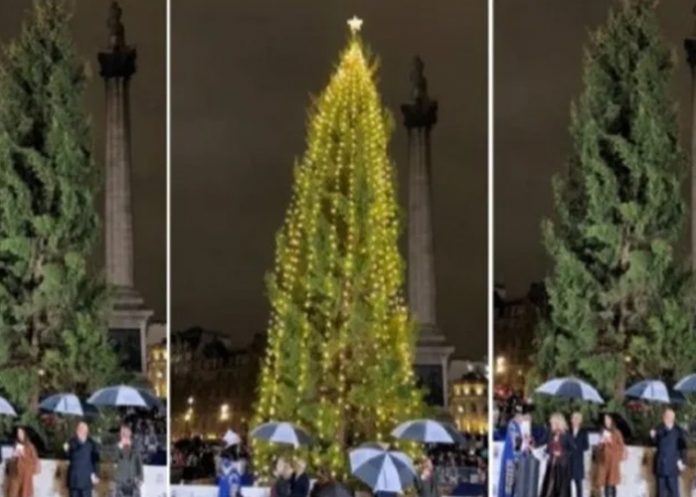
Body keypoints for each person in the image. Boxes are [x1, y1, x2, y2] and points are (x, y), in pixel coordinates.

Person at [650, 408, 687, 497]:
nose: (665, 418)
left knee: (673, 492)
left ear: (672, 418)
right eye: (665, 416)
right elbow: (654, 444)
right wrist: (652, 437)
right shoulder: (658, 428)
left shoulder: (678, 431)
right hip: (661, 466)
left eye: (668, 416)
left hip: (673, 466)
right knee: (660, 493)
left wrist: (683, 462)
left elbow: (683, 448)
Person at [539, 413, 574, 497]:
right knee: (549, 486)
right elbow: (541, 442)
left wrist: (562, 453)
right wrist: (531, 441)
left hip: (562, 466)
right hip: (552, 464)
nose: (551, 425)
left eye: (552, 423)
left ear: (558, 423)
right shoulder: (550, 434)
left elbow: (573, 449)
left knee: (561, 488)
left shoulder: (566, 435)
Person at [66, 421, 100, 497]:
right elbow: (67, 454)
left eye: (84, 430)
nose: (82, 431)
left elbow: (95, 461)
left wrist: (96, 474)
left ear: (87, 431)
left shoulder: (92, 443)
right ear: (77, 430)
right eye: (80, 429)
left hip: (87, 480)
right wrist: (77, 441)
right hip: (74, 480)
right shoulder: (71, 442)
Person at [595, 414, 625, 497]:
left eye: (608, 419)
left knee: (612, 483)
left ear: (612, 420)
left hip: (613, 462)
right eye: (605, 420)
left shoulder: (617, 432)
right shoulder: (602, 431)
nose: (606, 421)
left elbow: (621, 447)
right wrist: (601, 443)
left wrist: (611, 442)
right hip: (604, 462)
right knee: (605, 484)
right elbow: (598, 449)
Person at [7, 426, 40, 497]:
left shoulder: (30, 446)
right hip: (16, 473)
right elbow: (13, 458)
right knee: (13, 492)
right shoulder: (16, 445)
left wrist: (24, 458)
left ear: (25, 434)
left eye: (21, 433)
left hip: (26, 474)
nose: (19, 434)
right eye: (18, 433)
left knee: (25, 493)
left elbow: (35, 460)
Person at [114, 425, 143, 497]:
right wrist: (120, 447)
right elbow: (114, 459)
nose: (125, 435)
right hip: (120, 482)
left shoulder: (135, 447)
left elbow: (139, 464)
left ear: (130, 434)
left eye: (127, 433)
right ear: (121, 435)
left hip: (133, 481)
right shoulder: (117, 447)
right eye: (123, 433)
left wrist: (141, 478)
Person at [569, 412, 589, 497]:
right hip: (568, 461)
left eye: (577, 419)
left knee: (579, 486)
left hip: (578, 462)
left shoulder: (584, 432)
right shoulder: (567, 431)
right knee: (567, 485)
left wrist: (577, 447)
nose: (575, 420)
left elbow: (586, 446)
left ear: (580, 421)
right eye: (574, 418)